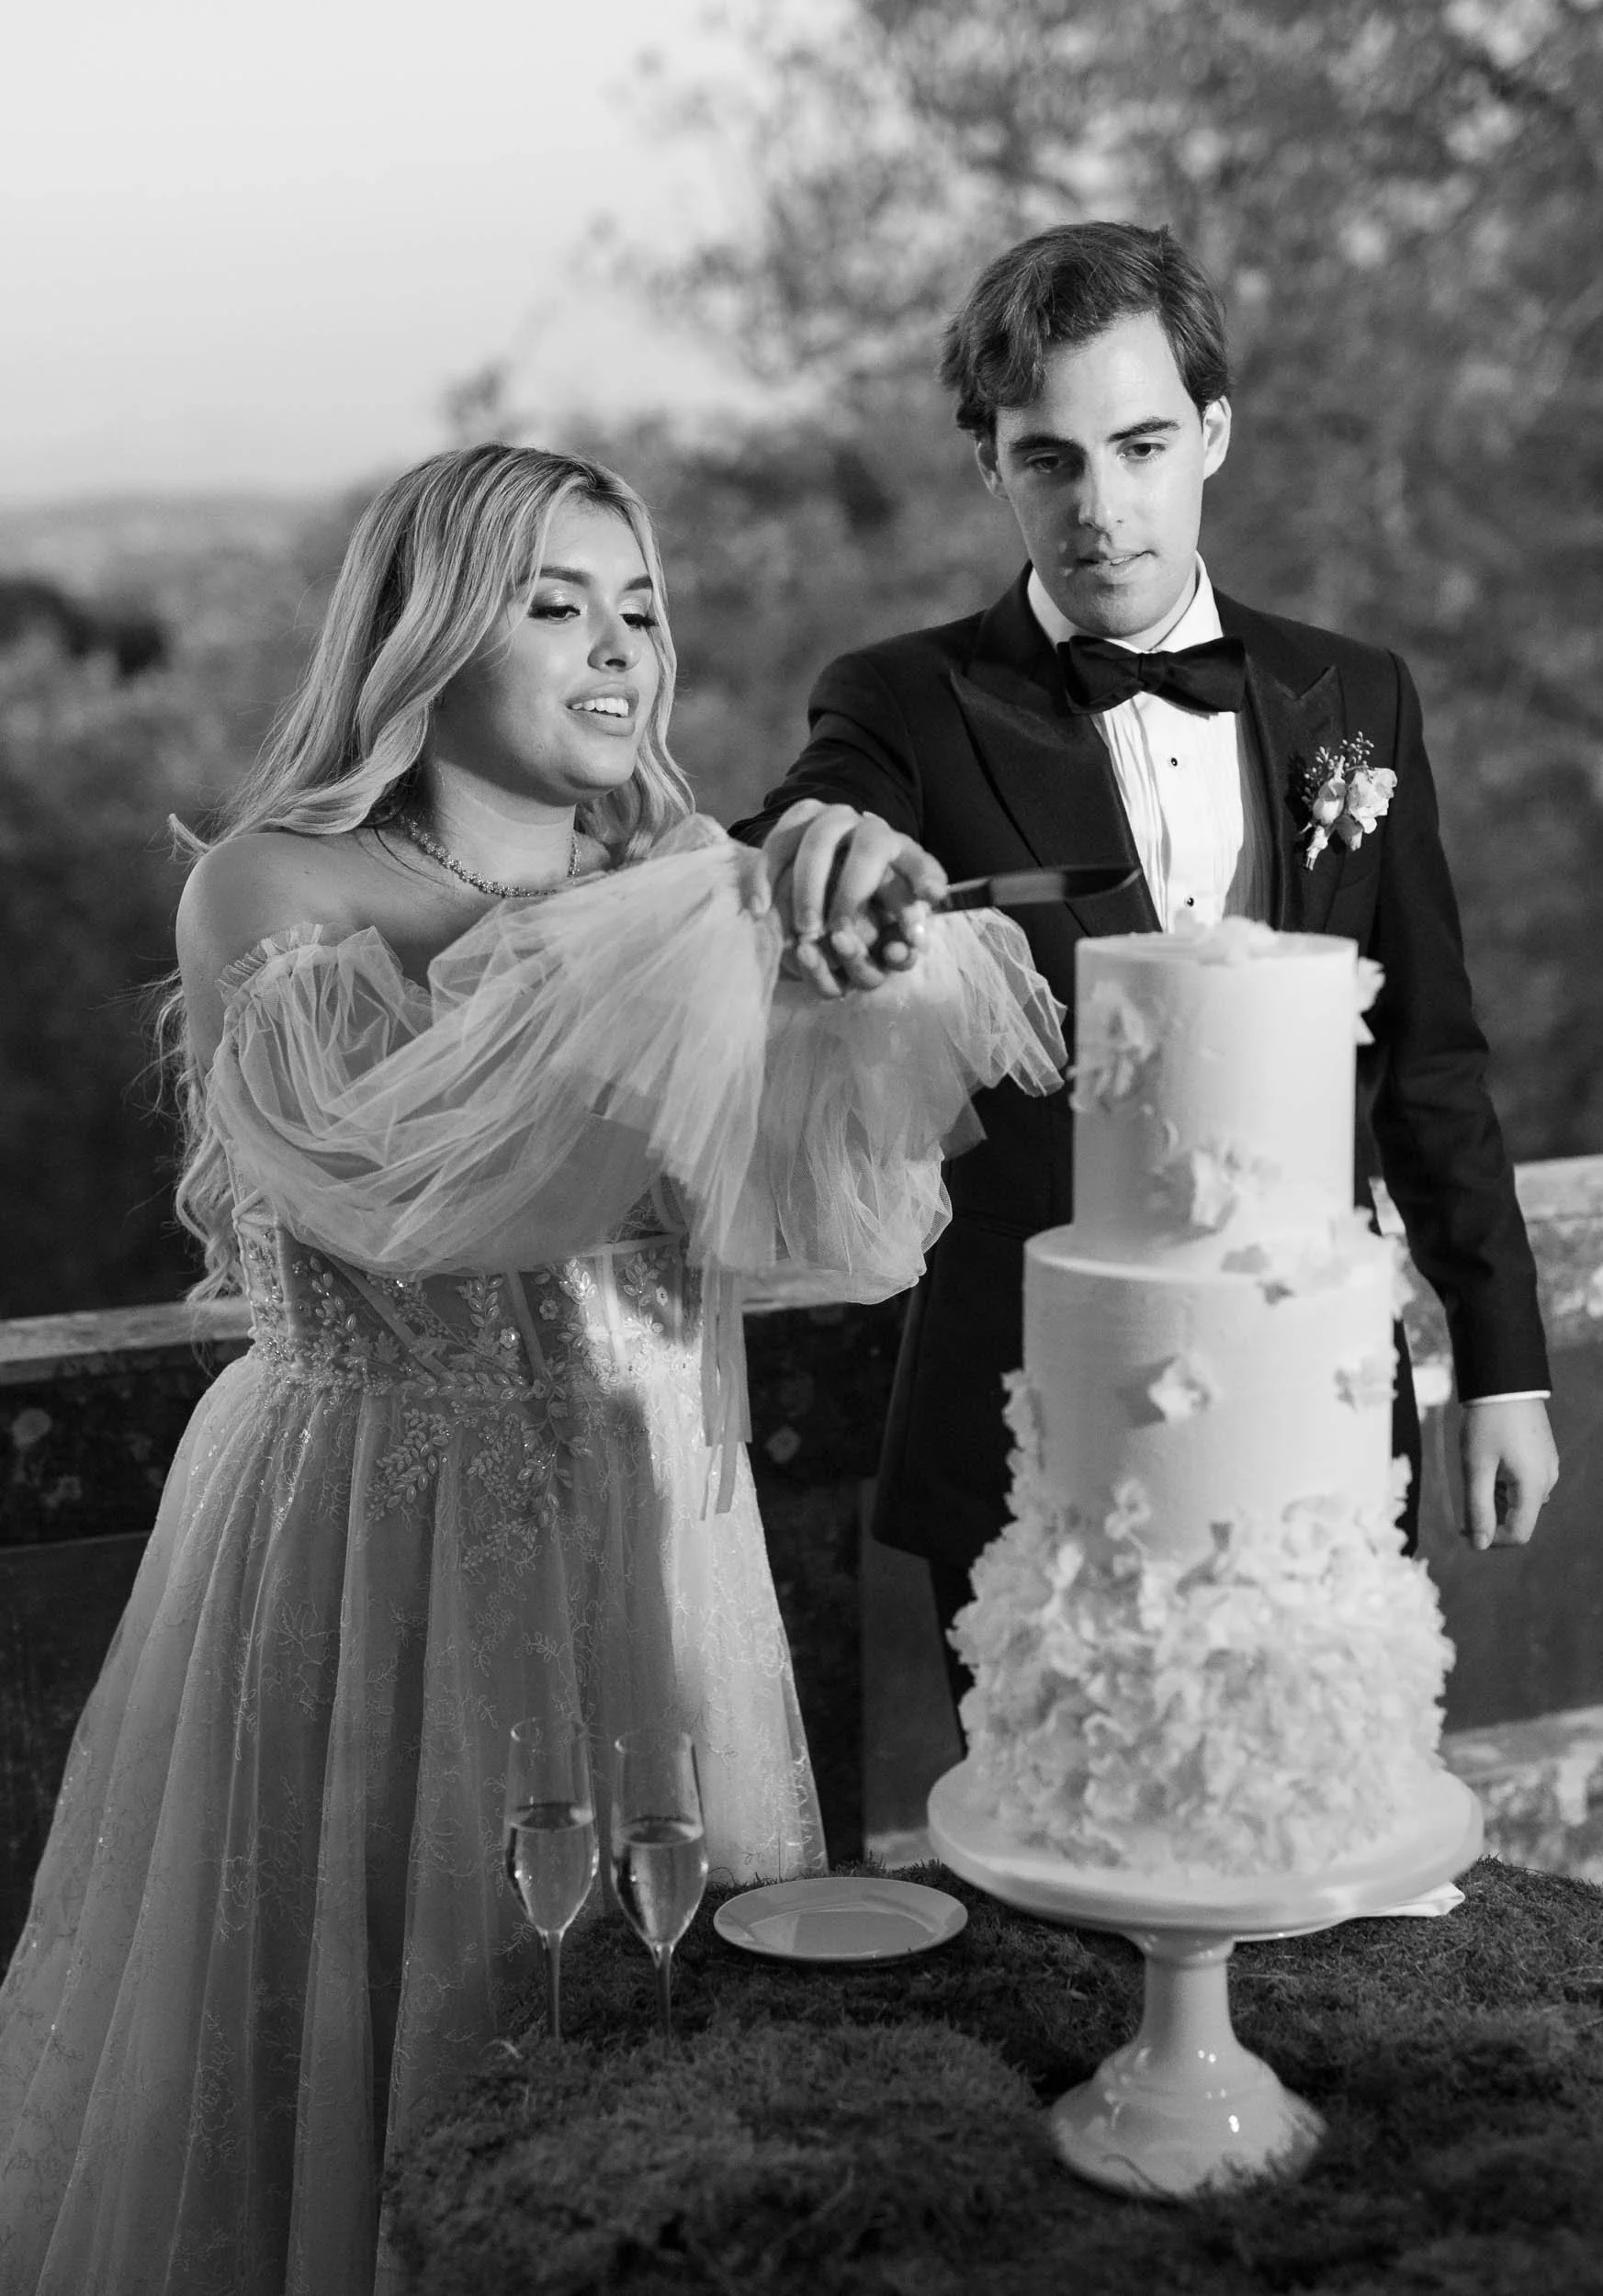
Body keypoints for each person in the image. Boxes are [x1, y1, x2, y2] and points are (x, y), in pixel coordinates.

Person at [0, 444, 1062, 2295]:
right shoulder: (271, 884)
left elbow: (830, 1216)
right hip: (364, 1540)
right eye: (554, 604)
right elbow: (420, 1183)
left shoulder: (684, 885)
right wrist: (696, 955)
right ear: (423, 632)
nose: (618, 648)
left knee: (646, 2059)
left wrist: (868, 964)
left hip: (656, 1535)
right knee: (362, 2037)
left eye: (639, 607)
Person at [735, 221, 1561, 1699]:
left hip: (1309, 1409)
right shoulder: (904, 701)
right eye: (1047, 459)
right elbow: (812, 813)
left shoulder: (1354, 695)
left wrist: (1501, 1362)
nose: (1099, 507)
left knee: (1308, 1804)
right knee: (1055, 1831)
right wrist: (816, 845)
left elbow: (1428, 1060)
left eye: (1139, 447)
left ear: (1212, 434)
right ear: (988, 463)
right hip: (1029, 1417)